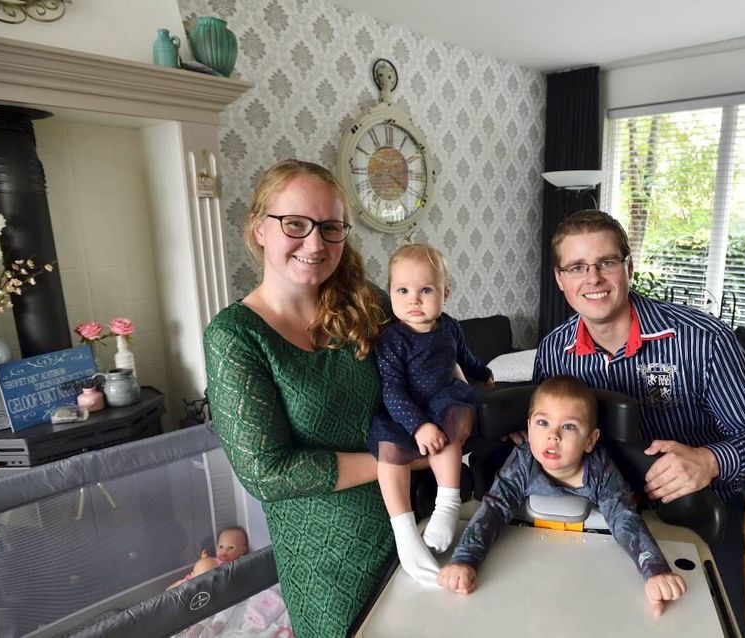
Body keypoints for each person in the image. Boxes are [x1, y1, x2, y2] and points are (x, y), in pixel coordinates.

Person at [531, 210, 745, 636]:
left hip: (697, 514)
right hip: (597, 508)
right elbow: (549, 427)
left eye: (606, 263)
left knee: (712, 626)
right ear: (561, 279)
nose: (592, 278)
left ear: (628, 267)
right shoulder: (553, 350)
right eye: (577, 267)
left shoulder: (704, 340)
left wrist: (710, 460)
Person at [204, 159, 396, 637]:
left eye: (330, 228)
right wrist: (398, 461)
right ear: (259, 229)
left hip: (421, 521)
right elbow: (267, 472)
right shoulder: (235, 336)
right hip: (329, 562)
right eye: (295, 224)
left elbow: (425, 369)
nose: (315, 243)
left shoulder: (367, 303)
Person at [438, 375, 686, 617]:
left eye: (568, 426)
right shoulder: (523, 461)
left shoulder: (600, 469)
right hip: (529, 564)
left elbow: (624, 518)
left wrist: (655, 571)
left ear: (590, 440)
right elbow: (493, 510)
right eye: (542, 423)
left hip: (587, 571)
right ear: (528, 427)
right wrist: (464, 560)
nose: (552, 435)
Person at [369, 243, 493, 587]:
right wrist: (418, 425)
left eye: (426, 290)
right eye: (403, 291)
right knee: (388, 451)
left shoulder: (449, 327)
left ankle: (448, 503)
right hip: (405, 408)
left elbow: (465, 358)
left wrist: (482, 374)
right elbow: (392, 388)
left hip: (443, 398)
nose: (414, 300)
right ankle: (404, 531)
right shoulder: (392, 339)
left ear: (445, 293)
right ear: (391, 293)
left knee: (452, 418)